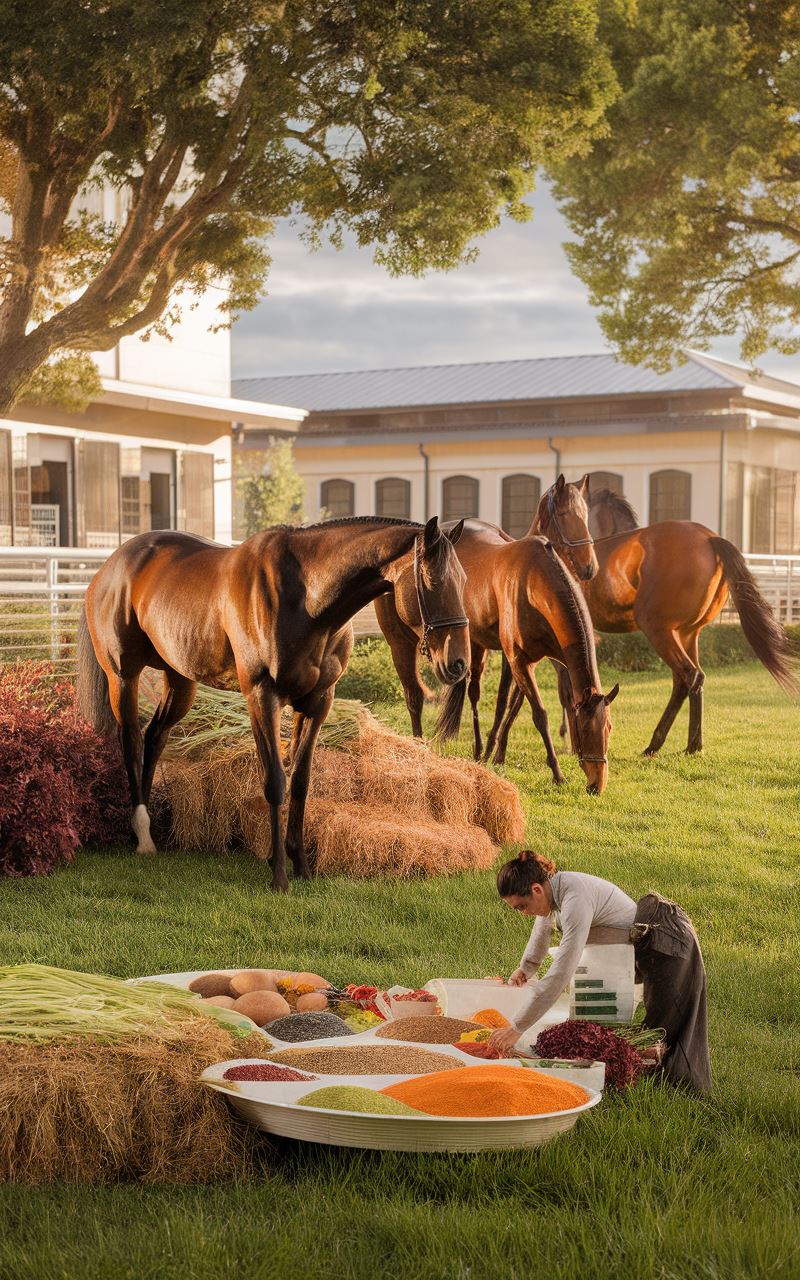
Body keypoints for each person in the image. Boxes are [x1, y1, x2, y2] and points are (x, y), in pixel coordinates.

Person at [487, 850, 711, 1093]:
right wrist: (526, 968)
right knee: (645, 1026)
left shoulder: (575, 898)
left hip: (666, 943)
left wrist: (517, 1028)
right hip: (636, 947)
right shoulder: (554, 893)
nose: (523, 913)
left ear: (536, 890)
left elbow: (562, 970)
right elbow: (542, 929)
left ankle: (680, 1091)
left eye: (522, 906)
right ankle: (647, 1077)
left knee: (669, 1025)